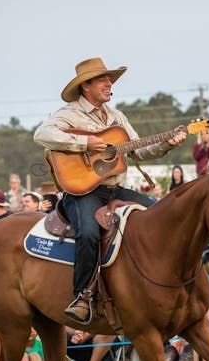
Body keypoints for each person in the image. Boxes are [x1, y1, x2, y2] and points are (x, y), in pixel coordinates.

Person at [34, 57, 187, 323]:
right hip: (82, 192)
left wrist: (167, 144)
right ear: (86, 87)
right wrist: (84, 143)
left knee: (157, 215)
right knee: (90, 233)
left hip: (115, 190)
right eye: (103, 80)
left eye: (110, 80)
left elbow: (138, 148)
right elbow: (41, 135)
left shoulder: (117, 117)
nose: (109, 84)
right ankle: (81, 296)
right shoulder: (69, 114)